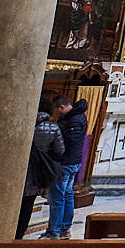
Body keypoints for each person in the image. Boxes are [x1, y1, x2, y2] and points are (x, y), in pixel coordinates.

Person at [19, 94, 63, 238]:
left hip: (17, 170)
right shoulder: (52, 127)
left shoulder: (21, 124)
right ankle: (18, 235)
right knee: (27, 205)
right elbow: (60, 150)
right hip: (36, 173)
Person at [45, 94, 89, 238]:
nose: (55, 114)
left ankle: (54, 231)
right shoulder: (78, 116)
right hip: (73, 162)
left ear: (62, 107)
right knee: (67, 195)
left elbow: (67, 145)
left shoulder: (73, 120)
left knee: (57, 197)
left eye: (56, 110)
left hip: (65, 164)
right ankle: (64, 229)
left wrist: (54, 156)